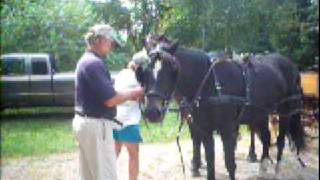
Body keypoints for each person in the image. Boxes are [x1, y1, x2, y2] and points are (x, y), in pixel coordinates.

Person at [72, 24, 144, 180]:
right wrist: (136, 93)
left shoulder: (86, 61)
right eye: (111, 42)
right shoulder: (94, 64)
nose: (112, 47)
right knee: (105, 175)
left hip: (86, 123)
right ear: (99, 40)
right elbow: (111, 100)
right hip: (95, 126)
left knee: (89, 175)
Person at [113, 51, 148, 180]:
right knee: (133, 155)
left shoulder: (121, 74)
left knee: (114, 153)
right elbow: (138, 97)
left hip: (115, 118)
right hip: (129, 121)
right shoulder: (138, 78)